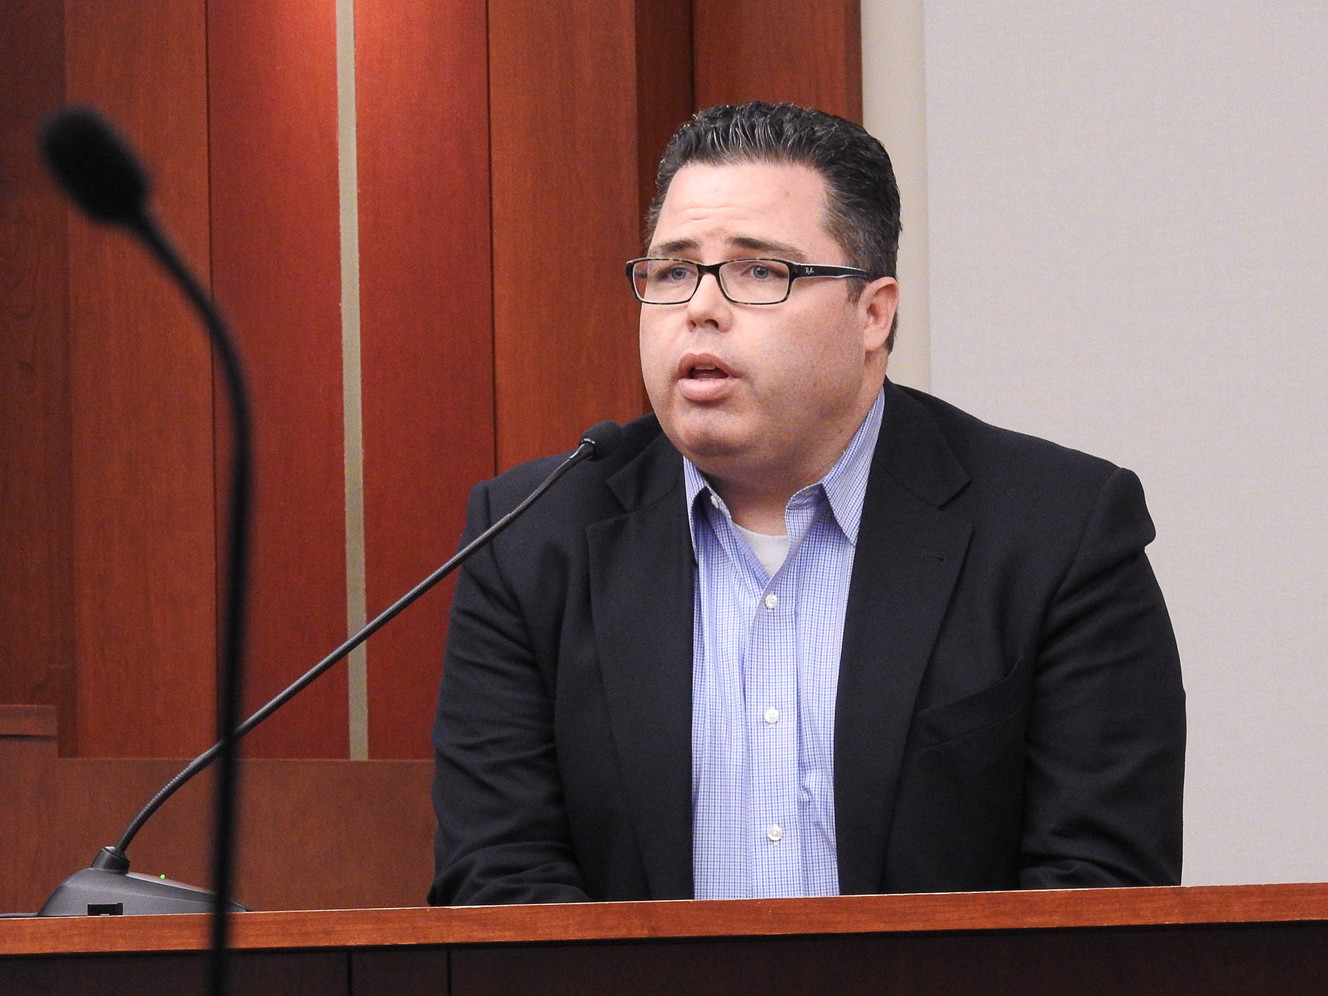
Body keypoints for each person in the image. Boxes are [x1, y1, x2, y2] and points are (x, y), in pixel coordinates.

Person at [428, 102, 1185, 905]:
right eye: (674, 271)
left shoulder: (1056, 531)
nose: (700, 308)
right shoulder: (531, 536)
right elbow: (498, 882)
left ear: (873, 312)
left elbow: (1099, 896)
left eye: (760, 271)